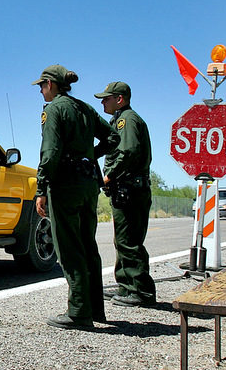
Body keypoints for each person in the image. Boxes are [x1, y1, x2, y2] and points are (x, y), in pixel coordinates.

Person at [32, 65, 119, 330]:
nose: (41, 91)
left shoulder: (54, 110)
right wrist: (91, 154)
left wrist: (41, 189)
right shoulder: (84, 108)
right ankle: (95, 310)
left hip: (65, 184)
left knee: (69, 247)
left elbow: (51, 151)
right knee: (87, 245)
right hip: (87, 183)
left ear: (51, 84)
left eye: (42, 86)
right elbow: (113, 137)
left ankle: (79, 311)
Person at [95, 82, 155, 307]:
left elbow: (128, 151)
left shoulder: (127, 120)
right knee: (123, 239)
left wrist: (110, 175)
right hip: (127, 189)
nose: (103, 102)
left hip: (130, 188)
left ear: (120, 99)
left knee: (129, 241)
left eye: (106, 98)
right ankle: (125, 286)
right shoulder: (122, 120)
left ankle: (141, 291)